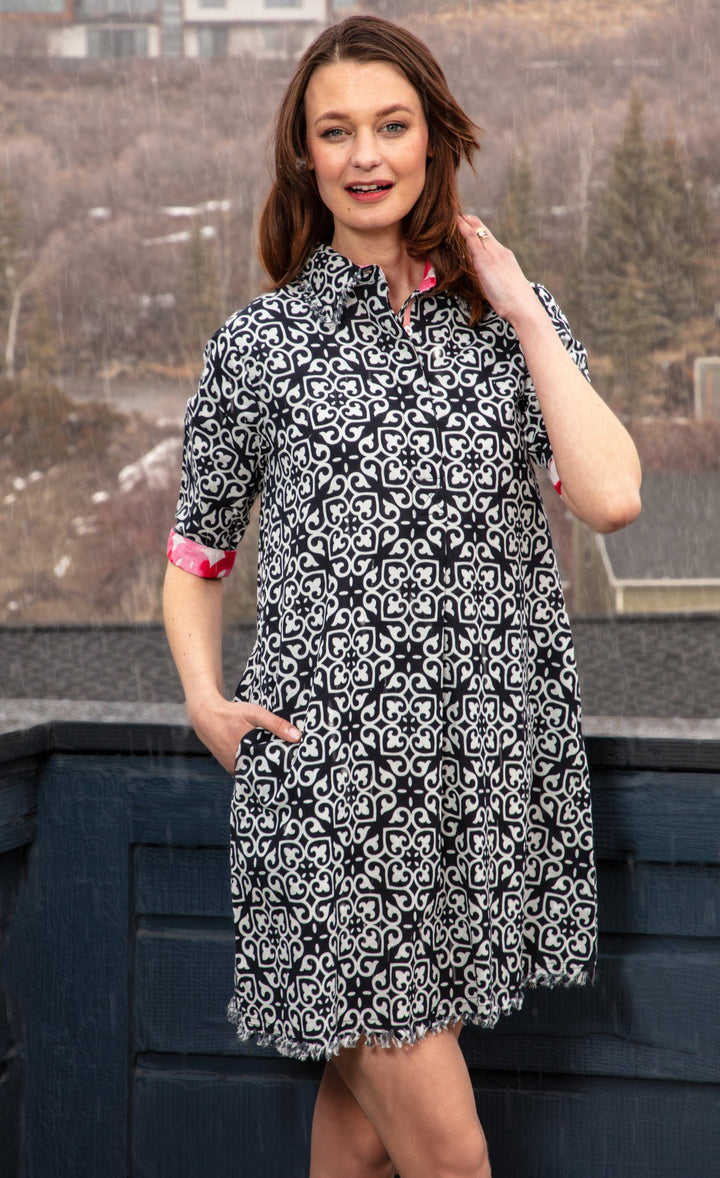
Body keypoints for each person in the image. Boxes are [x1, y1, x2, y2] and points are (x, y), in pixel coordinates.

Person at [163, 15, 641, 1178]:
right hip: (329, 793)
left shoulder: (507, 323)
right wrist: (204, 698)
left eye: (391, 125)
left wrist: (522, 310)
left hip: (482, 787)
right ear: (305, 154)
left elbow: (614, 496)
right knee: (450, 1155)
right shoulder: (259, 346)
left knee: (367, 1139)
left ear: (434, 140)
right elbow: (196, 554)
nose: (366, 154)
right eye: (337, 131)